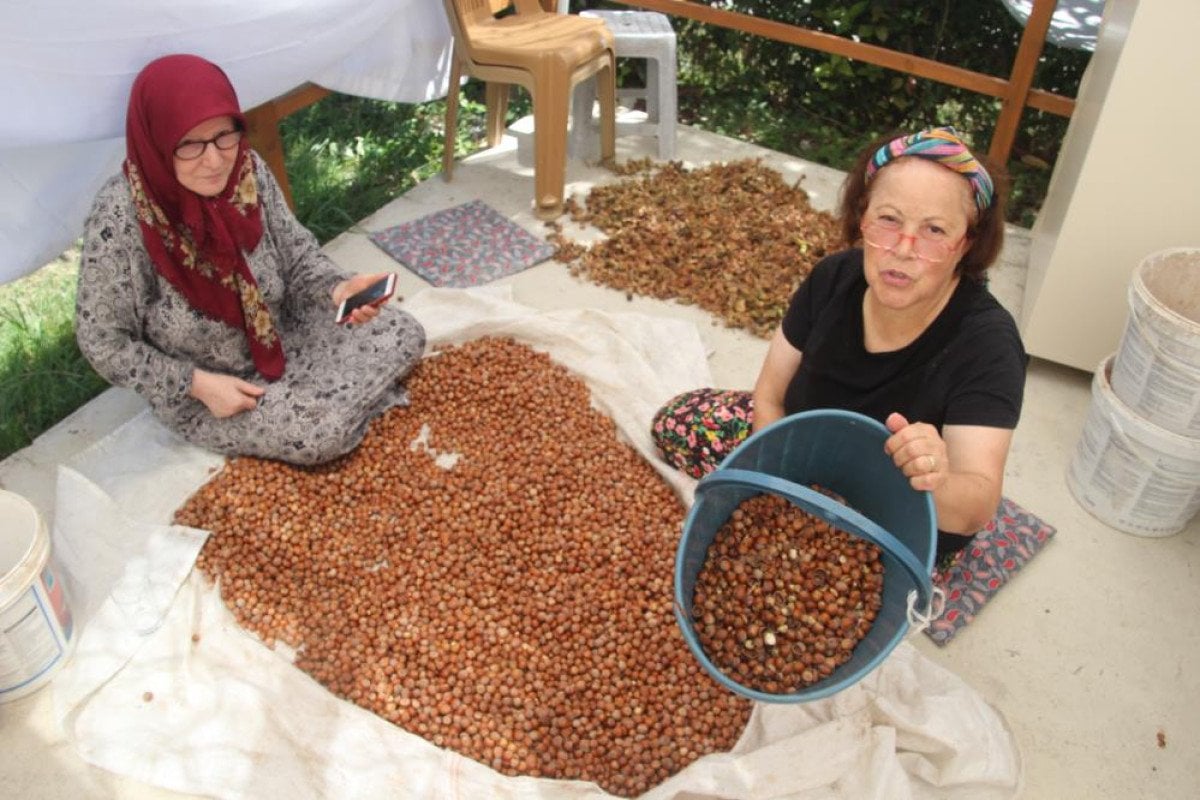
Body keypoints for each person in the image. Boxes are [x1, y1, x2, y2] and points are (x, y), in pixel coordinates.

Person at [651, 126, 1027, 562]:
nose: (904, 248)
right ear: (861, 217)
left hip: (897, 505)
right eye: (888, 219)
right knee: (674, 422)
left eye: (935, 230)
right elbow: (770, 396)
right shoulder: (832, 279)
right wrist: (782, 492)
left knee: (834, 578)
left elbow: (973, 510)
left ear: (966, 243)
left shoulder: (988, 345)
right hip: (801, 458)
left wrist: (936, 477)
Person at [75, 54, 426, 465]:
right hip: (215, 387)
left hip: (286, 332)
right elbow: (102, 341)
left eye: (225, 135)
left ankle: (326, 407)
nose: (214, 159)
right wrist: (196, 384)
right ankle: (328, 411)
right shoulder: (123, 218)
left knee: (405, 333)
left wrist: (336, 288)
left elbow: (297, 259)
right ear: (156, 141)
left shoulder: (246, 171)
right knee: (319, 433)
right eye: (189, 145)